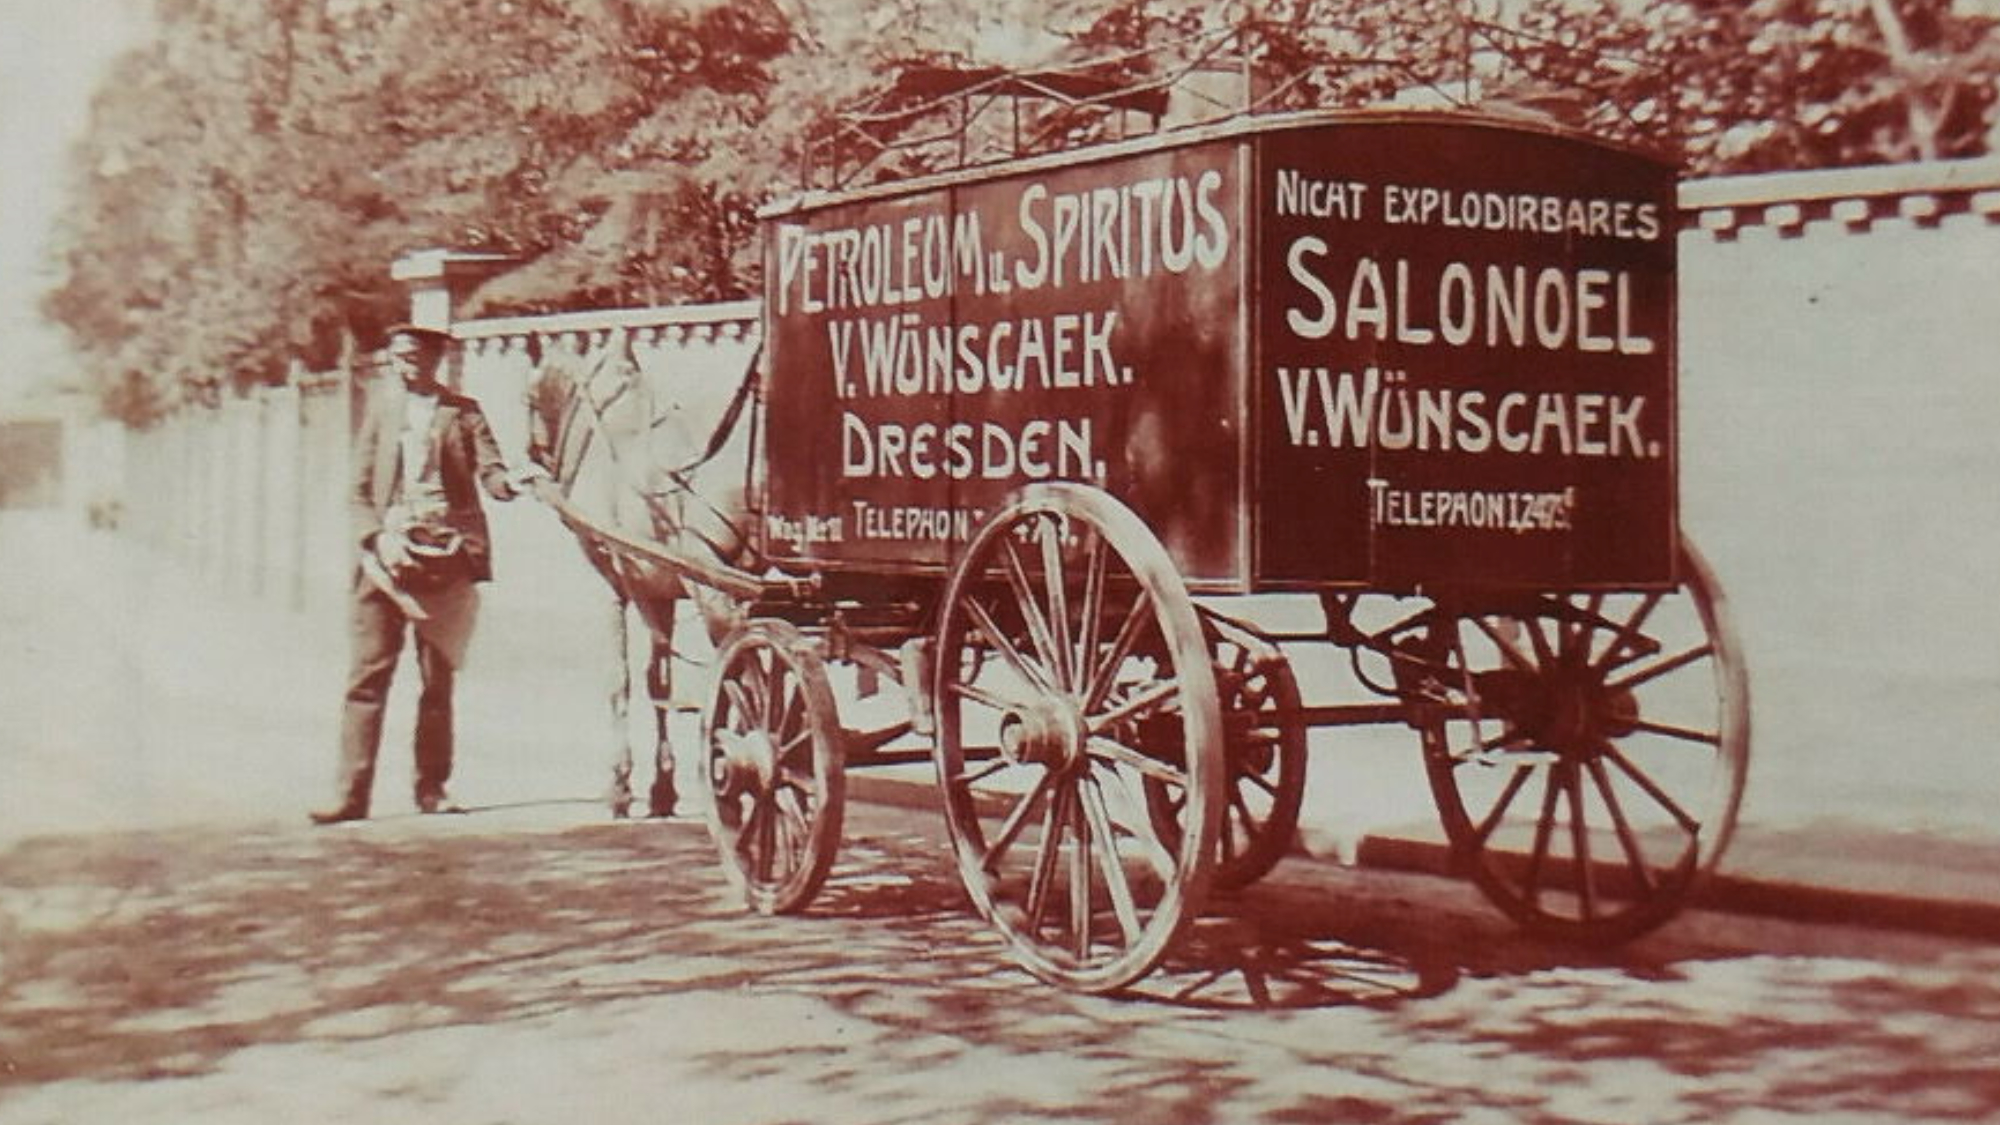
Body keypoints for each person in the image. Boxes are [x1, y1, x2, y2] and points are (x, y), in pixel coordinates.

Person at [312, 325, 520, 824]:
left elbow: (491, 472)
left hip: (446, 560)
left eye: (412, 358)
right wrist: (377, 536)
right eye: (396, 359)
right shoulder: (382, 412)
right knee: (367, 675)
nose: (403, 367)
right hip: (385, 561)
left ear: (434, 360)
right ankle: (349, 794)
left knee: (436, 680)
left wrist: (510, 482)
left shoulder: (463, 413)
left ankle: (432, 788)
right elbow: (359, 491)